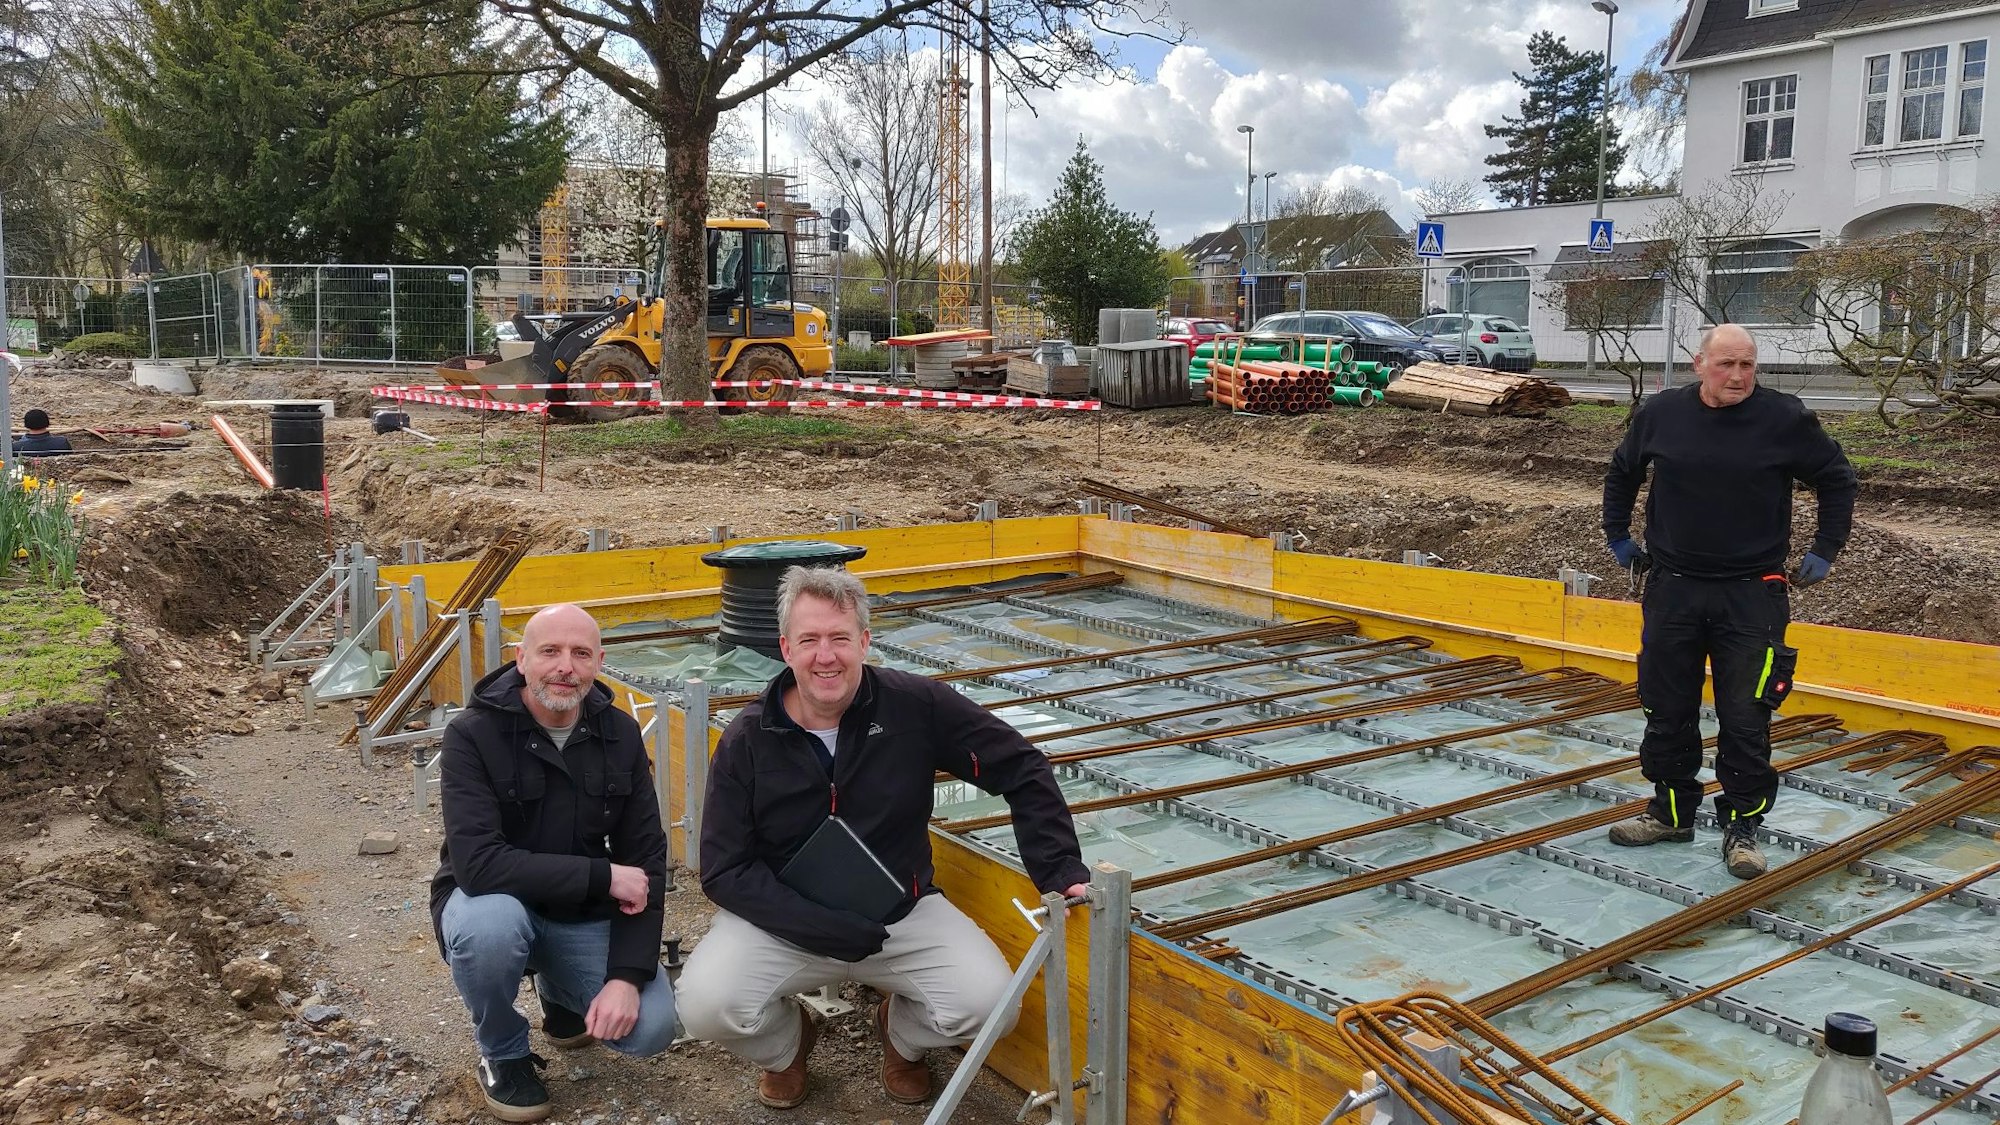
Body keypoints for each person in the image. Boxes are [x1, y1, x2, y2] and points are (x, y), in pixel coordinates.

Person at [676, 565, 1091, 1110]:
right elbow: (725, 869)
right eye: (809, 640)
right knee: (705, 1004)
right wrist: (819, 926)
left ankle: (900, 1036)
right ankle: (787, 1046)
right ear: (784, 648)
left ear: (865, 642)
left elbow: (1021, 767)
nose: (826, 656)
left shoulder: (915, 706)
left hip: (901, 912)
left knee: (991, 1004)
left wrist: (1060, 872)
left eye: (840, 639)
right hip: (783, 921)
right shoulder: (748, 738)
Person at [1601, 323, 1857, 880]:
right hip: (1673, 588)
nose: (1737, 376)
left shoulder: (1785, 420)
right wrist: (1617, 536)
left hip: (1752, 593)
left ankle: (1742, 830)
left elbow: (1837, 479)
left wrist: (1826, 548)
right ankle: (1671, 814)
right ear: (1699, 364)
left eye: (1747, 365)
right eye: (1726, 364)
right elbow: (1622, 472)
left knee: (1746, 717)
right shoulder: (1662, 415)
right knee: (1666, 708)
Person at [430, 603, 676, 1123]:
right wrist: (603, 875)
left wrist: (627, 978)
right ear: (521, 659)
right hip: (488, 902)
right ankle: (502, 1052)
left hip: (575, 911)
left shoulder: (620, 735)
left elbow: (647, 861)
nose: (566, 666)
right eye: (550, 651)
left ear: (598, 662)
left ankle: (559, 992)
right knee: (491, 928)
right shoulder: (472, 735)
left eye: (581, 653)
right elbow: (478, 866)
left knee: (653, 1027)